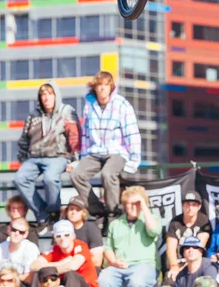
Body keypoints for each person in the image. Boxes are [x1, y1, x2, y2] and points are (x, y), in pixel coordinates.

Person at [70, 72, 141, 220]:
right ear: (94, 87)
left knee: (108, 174)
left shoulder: (122, 104)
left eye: (105, 85)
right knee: (76, 175)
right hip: (95, 151)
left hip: (116, 151)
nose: (102, 88)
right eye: (99, 85)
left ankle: (112, 212)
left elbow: (131, 133)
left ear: (111, 87)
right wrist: (82, 158)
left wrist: (134, 159)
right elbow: (86, 134)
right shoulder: (89, 106)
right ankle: (98, 210)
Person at [14, 81, 81, 230]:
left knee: (50, 178)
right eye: (43, 95)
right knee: (20, 178)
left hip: (58, 156)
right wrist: (23, 160)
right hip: (34, 157)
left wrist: (76, 160)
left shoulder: (66, 112)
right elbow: (24, 140)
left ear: (56, 95)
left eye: (50, 94)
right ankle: (42, 214)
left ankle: (53, 211)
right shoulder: (33, 116)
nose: (46, 98)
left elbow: (75, 136)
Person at [98, 185, 161, 287]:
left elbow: (154, 230)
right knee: (104, 279)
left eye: (137, 203)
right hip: (119, 268)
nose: (133, 206)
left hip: (144, 265)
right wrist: (114, 262)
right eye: (129, 203)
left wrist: (144, 206)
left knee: (136, 281)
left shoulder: (151, 219)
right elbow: (108, 248)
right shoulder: (115, 224)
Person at [30, 220, 98, 287]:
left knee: (70, 274)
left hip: (85, 284)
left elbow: (73, 266)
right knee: (37, 274)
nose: (62, 239)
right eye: (58, 236)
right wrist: (60, 263)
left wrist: (49, 270)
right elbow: (33, 266)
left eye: (66, 235)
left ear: (73, 236)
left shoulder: (80, 246)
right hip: (63, 283)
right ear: (55, 238)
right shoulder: (54, 249)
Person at [166, 191, 212, 282]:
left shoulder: (203, 221)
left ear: (199, 207)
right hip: (178, 263)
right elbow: (170, 248)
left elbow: (198, 248)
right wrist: (174, 266)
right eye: (187, 204)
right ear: (182, 205)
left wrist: (184, 269)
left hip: (197, 263)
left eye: (194, 205)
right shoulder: (175, 222)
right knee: (168, 281)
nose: (190, 208)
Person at [0, 217, 40, 286]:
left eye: (21, 232)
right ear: (9, 230)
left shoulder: (31, 249)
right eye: (14, 230)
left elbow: (29, 278)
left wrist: (10, 279)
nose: (17, 233)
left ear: (25, 234)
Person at [64, 196, 104, 270]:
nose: (73, 212)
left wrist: (76, 265)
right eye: (71, 209)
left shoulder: (91, 228)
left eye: (78, 210)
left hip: (88, 268)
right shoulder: (62, 229)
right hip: (67, 269)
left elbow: (97, 261)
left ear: (84, 213)